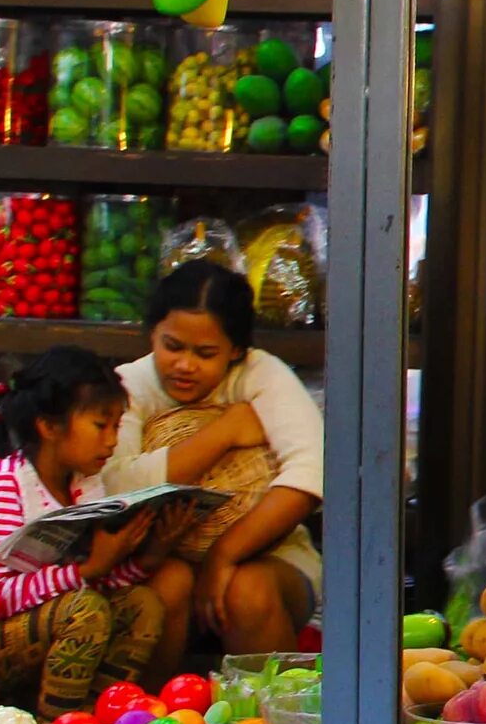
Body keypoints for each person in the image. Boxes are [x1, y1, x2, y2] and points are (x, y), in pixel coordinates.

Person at [0, 346, 190, 717]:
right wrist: (85, 571)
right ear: (48, 427)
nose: (111, 441)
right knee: (86, 611)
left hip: (42, 626)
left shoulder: (86, 485)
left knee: (143, 604)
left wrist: (146, 557)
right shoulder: (5, 484)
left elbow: (93, 582)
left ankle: (97, 718)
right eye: (100, 425)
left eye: (116, 426)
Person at [102, 259, 324, 655]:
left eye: (205, 353)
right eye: (172, 346)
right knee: (163, 589)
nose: (185, 365)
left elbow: (311, 475)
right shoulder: (130, 385)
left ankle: (274, 717)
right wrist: (224, 433)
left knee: (247, 590)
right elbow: (115, 486)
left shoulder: (262, 375)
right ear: (152, 333)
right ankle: (152, 713)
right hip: (158, 557)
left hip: (270, 556)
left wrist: (224, 554)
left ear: (236, 350)